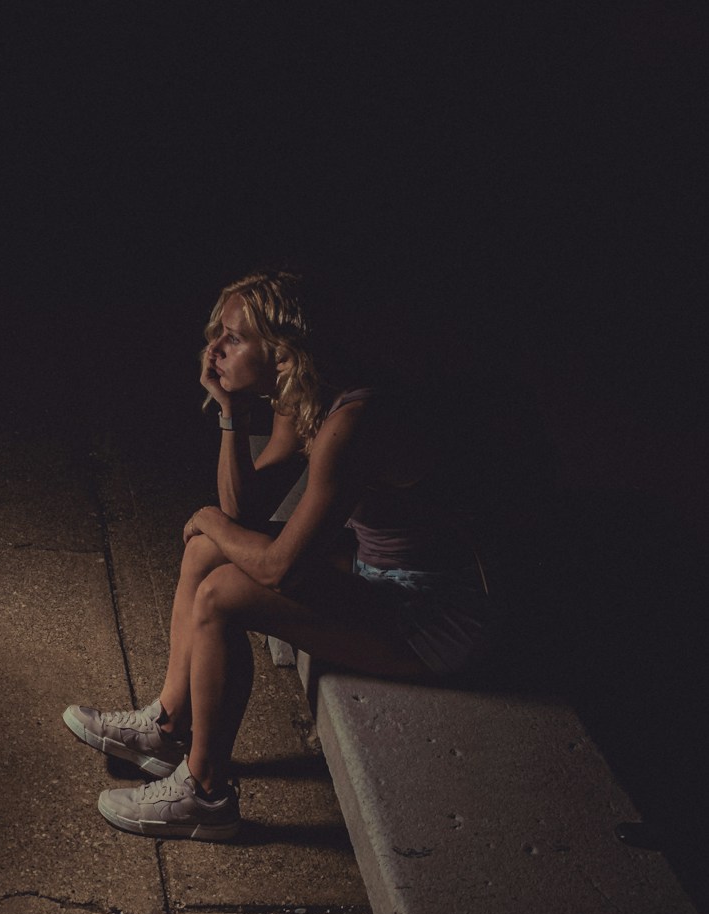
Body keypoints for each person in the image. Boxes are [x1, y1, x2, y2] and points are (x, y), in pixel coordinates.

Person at [63, 270, 492, 841]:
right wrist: (231, 413)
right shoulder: (305, 396)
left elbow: (279, 568)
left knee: (221, 594)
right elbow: (242, 508)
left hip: (435, 617)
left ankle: (207, 793)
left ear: (284, 354)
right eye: (217, 332)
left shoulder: (352, 421)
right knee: (206, 555)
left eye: (234, 338)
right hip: (379, 573)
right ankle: (167, 727)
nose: (214, 347)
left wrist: (209, 521)